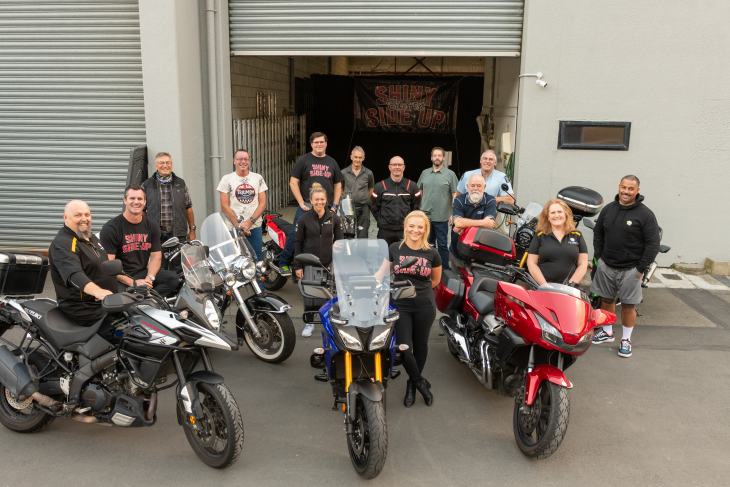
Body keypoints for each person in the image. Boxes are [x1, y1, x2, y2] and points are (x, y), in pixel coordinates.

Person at [590, 175, 659, 358]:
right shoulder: (608, 210)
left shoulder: (645, 214)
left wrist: (640, 268)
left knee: (628, 306)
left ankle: (626, 340)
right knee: (606, 300)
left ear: (637, 191)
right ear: (619, 187)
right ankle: (607, 332)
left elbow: (653, 243)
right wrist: (599, 256)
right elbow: (598, 234)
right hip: (607, 265)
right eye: (623, 187)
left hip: (631, 269)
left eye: (630, 189)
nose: (626, 191)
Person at [388, 210, 441, 407]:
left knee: (421, 346)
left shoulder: (432, 253)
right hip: (400, 305)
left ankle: (411, 384)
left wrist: (418, 292)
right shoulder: (394, 248)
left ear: (425, 229)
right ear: (405, 227)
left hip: (424, 305)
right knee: (404, 348)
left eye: (420, 227)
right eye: (411, 226)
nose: (415, 230)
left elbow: (435, 280)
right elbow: (382, 274)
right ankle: (420, 382)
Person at [278, 132, 344, 277]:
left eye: (321, 142)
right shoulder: (304, 160)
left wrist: (335, 205)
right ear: (311, 144)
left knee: (327, 235)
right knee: (296, 235)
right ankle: (283, 263)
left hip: (325, 207)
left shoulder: (332, 162)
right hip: (307, 206)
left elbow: (338, 184)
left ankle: (325, 265)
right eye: (316, 142)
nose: (319, 145)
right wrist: (301, 202)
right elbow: (293, 182)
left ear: (326, 144)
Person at [100, 185, 179, 298]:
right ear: (125, 201)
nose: (136, 202)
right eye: (132, 198)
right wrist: (133, 283)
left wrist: (149, 278)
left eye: (140, 199)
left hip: (141, 273)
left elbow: (156, 257)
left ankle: (148, 301)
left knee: (172, 279)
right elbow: (108, 266)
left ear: (144, 202)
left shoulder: (151, 226)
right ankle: (139, 301)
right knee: (122, 299)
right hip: (119, 276)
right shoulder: (111, 228)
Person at [48, 200, 116, 327]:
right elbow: (74, 275)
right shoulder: (63, 243)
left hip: (105, 302)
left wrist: (133, 282)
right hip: (84, 308)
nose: (84, 219)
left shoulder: (90, 238)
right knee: (126, 335)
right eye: (77, 215)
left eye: (87, 214)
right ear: (65, 217)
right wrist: (99, 292)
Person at [293, 183, 344, 337]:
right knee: (309, 295)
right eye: (316, 199)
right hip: (309, 263)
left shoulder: (334, 218)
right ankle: (309, 323)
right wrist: (298, 265)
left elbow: (339, 243)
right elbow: (298, 242)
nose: (319, 202)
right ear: (311, 200)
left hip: (328, 263)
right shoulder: (303, 219)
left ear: (326, 200)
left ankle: (329, 322)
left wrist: (338, 264)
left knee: (329, 294)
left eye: (322, 199)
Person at [218, 148, 268, 261]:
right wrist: (238, 225)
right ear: (234, 161)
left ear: (249, 161)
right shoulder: (226, 179)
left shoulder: (258, 178)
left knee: (257, 260)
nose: (243, 161)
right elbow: (224, 207)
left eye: (246, 159)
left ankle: (258, 280)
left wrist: (249, 223)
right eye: (240, 159)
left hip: (254, 227)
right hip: (233, 228)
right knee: (234, 261)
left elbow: (262, 204)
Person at [526, 199, 588, 286]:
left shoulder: (577, 235)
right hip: (542, 287)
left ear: (566, 214)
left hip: (569, 289)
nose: (556, 215)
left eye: (560, 212)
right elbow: (532, 263)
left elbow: (583, 264)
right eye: (552, 213)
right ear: (547, 217)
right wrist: (544, 285)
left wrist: (570, 285)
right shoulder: (539, 235)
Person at [417, 147, 459, 270]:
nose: (437, 158)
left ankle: (444, 269)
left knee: (442, 244)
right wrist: (419, 210)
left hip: (442, 216)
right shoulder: (424, 173)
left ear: (443, 158)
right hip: (426, 216)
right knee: (427, 244)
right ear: (431, 158)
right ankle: (428, 267)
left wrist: (453, 213)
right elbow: (419, 192)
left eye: (439, 156)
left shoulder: (450, 175)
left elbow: (454, 195)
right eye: (434, 155)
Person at [141, 152, 196, 244]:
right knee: (158, 258)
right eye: (161, 163)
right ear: (156, 166)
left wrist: (192, 230)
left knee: (179, 258)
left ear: (172, 165)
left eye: (168, 163)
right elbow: (142, 210)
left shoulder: (181, 183)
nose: (165, 165)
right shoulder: (146, 185)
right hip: (155, 235)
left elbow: (188, 207)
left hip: (178, 234)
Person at [448, 174, 498, 271]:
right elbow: (458, 223)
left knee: (476, 283)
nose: (475, 189)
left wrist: (463, 225)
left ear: (484, 187)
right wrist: (483, 222)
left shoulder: (490, 200)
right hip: (458, 253)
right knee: (457, 283)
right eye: (472, 185)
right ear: (467, 187)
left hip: (479, 254)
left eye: (479, 186)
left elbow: (489, 225)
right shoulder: (459, 200)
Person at [371, 156, 421, 246]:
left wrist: (410, 223)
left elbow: (416, 206)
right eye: (394, 165)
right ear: (389, 167)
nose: (397, 167)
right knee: (384, 258)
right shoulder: (379, 186)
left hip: (405, 230)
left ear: (404, 167)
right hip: (385, 231)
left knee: (404, 259)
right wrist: (381, 221)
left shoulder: (412, 186)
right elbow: (374, 206)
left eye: (399, 165)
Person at [342, 146, 375, 238]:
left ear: (363, 158)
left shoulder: (369, 173)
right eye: (355, 157)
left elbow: (371, 189)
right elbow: (340, 189)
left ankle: (361, 253)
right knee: (347, 235)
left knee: (363, 235)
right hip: (347, 207)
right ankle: (348, 253)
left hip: (363, 207)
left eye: (360, 157)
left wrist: (362, 199)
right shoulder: (343, 173)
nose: (357, 159)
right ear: (351, 157)